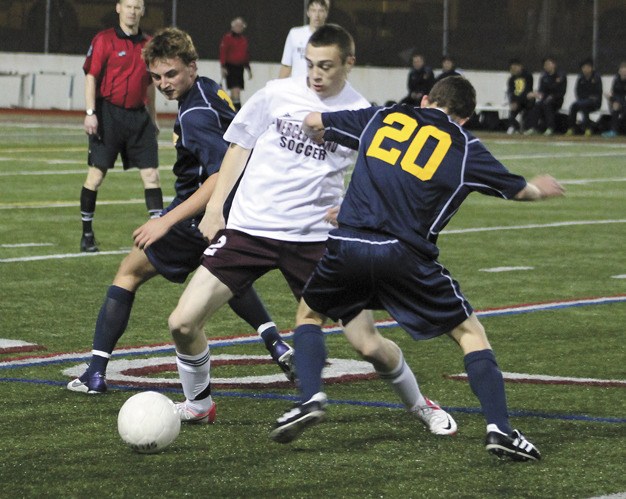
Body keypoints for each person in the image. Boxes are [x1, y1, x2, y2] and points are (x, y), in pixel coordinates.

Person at [165, 24, 454, 434]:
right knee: (182, 323)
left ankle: (420, 404)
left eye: (327, 66)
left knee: (367, 344)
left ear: (348, 64)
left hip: (315, 242)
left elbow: (383, 176)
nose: (316, 74)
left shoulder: (361, 113)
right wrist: (215, 207)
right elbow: (239, 144)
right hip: (251, 230)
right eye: (311, 65)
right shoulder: (276, 94)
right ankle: (199, 404)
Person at [270, 76, 566, 461]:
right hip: (404, 254)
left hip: (350, 244)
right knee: (469, 333)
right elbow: (520, 190)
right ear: (465, 118)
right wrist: (541, 187)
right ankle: (500, 430)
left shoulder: (383, 116)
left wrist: (320, 137)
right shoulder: (463, 146)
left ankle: (310, 397)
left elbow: (313, 121)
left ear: (425, 99)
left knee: (310, 313)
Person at [67, 27, 293, 401]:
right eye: (155, 77)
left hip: (200, 213)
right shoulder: (207, 89)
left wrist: (165, 221)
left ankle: (95, 371)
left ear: (191, 66)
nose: (164, 84)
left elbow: (219, 174)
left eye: (170, 74)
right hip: (237, 208)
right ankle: (277, 344)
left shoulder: (195, 115)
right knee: (224, 273)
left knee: (128, 272)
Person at [80, 0, 163, 253]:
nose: (133, 11)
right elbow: (91, 76)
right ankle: (87, 234)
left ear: (142, 11)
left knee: (152, 175)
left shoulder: (149, 44)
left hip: (139, 118)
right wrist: (91, 113)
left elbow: (150, 84)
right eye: (128, 6)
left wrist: (153, 117)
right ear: (118, 8)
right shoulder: (104, 39)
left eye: (137, 7)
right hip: (108, 116)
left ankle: (158, 236)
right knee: (96, 176)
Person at [278, 0, 330, 79]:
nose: (317, 15)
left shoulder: (331, 38)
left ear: (326, 13)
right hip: (297, 87)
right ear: (308, 13)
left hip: (319, 87)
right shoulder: (295, 34)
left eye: (321, 11)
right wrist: (278, 86)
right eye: (313, 10)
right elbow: (286, 64)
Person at [524, 56, 567, 136]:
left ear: (554, 65)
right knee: (537, 105)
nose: (546, 66)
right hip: (545, 99)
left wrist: (551, 96)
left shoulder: (560, 76)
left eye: (548, 64)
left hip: (557, 100)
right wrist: (535, 94)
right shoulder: (544, 76)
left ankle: (550, 128)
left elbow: (560, 92)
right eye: (545, 65)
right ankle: (533, 127)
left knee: (547, 104)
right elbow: (541, 91)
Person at [219, 16, 252, 111]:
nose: (239, 27)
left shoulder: (243, 40)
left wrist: (248, 68)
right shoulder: (227, 38)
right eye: (237, 25)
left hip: (240, 68)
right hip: (230, 67)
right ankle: (237, 112)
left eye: (241, 26)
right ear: (233, 27)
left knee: (236, 93)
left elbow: (245, 54)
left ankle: (229, 110)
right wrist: (223, 66)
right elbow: (223, 52)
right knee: (235, 91)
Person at [566, 58, 603, 137]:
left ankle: (588, 129)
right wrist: (586, 97)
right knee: (573, 106)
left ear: (591, 68)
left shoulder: (596, 77)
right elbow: (578, 92)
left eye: (587, 67)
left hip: (595, 102)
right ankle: (571, 128)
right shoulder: (580, 78)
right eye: (584, 68)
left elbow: (598, 92)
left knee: (584, 106)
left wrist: (589, 98)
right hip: (583, 101)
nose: (585, 69)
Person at [506, 58, 534, 134]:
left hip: (526, 100)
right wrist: (512, 102)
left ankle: (528, 127)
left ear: (520, 66)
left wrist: (519, 100)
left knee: (531, 109)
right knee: (511, 115)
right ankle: (516, 127)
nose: (514, 70)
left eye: (515, 67)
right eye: (512, 68)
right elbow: (511, 92)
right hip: (516, 101)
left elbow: (528, 90)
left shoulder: (528, 76)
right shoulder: (511, 79)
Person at [602, 61, 626, 138]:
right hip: (619, 101)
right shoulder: (616, 79)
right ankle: (613, 130)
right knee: (616, 104)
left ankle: (614, 130)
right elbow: (614, 92)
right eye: (622, 70)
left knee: (617, 104)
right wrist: (609, 96)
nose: (623, 73)